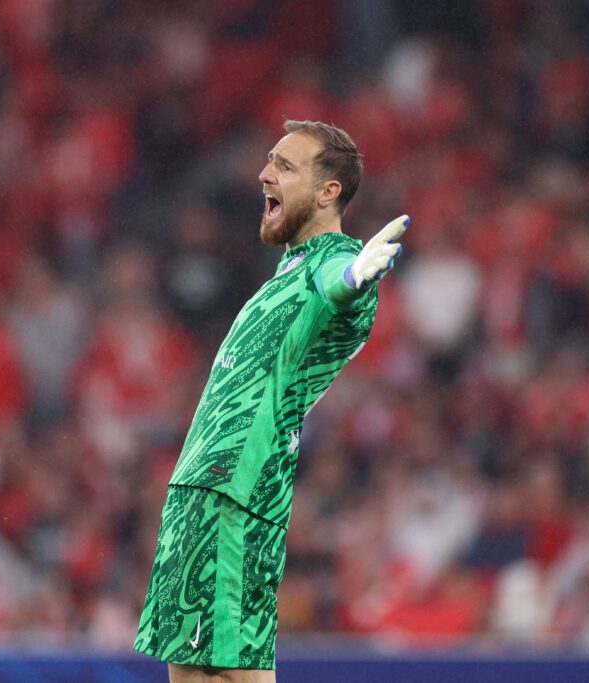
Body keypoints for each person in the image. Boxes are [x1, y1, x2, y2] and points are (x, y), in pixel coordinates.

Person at [134, 120, 407, 682]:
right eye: (268, 161)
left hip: (239, 491)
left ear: (329, 192)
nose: (265, 173)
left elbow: (342, 284)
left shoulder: (333, 263)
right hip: (198, 489)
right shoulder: (285, 271)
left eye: (285, 166)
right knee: (192, 672)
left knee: (237, 672)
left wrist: (355, 276)